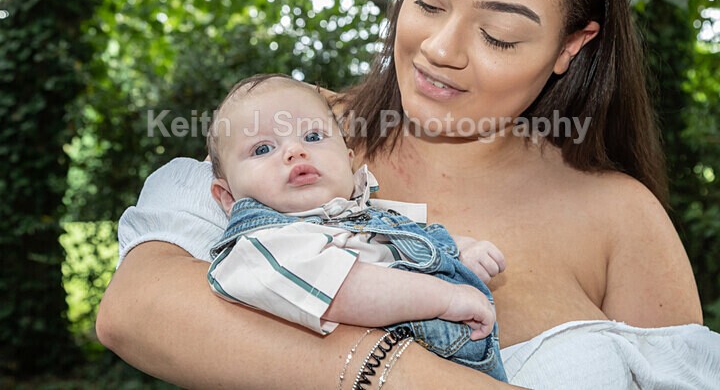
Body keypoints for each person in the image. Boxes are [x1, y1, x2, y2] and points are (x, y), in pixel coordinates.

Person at [97, 0, 720, 389]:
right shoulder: (291, 137)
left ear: (570, 47)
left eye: (499, 34)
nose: (441, 47)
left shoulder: (621, 218)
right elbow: (137, 309)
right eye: (429, 0)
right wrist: (398, 370)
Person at [205, 73, 508, 382]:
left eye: (312, 137)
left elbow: (417, 243)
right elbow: (344, 289)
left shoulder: (369, 215)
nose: (294, 151)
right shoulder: (261, 247)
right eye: (262, 149)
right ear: (227, 196)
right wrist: (447, 298)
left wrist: (460, 251)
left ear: (348, 160)